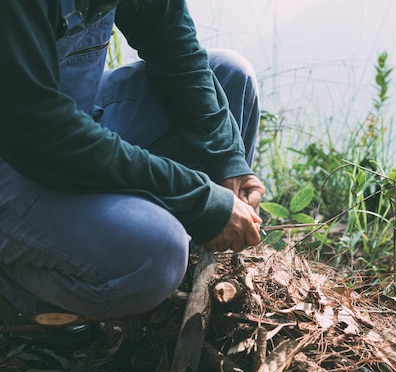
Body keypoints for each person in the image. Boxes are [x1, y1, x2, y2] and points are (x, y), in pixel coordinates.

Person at [0, 0, 265, 326]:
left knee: (229, 75)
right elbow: (43, 134)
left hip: (66, 121)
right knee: (157, 251)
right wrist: (198, 199)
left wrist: (228, 162)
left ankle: (188, 260)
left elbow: (174, 46)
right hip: (21, 148)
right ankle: (19, 293)